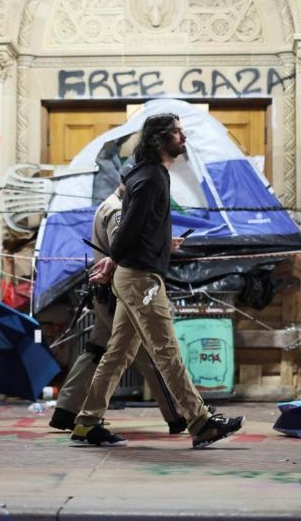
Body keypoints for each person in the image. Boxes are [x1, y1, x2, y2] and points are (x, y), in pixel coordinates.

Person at [70, 113, 244, 449]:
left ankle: (86, 423)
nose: (184, 138)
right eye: (177, 133)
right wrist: (113, 260)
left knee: (118, 354)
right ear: (159, 139)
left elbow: (143, 226)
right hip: (140, 280)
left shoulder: (145, 175)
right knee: (167, 351)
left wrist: (166, 241)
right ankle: (201, 422)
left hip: (134, 275)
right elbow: (128, 227)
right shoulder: (152, 177)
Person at [48, 182, 185, 434]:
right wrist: (161, 247)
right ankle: (179, 415)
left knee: (97, 349)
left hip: (106, 295)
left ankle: (65, 410)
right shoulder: (117, 211)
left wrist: (165, 244)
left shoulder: (109, 206)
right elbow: (125, 253)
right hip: (118, 294)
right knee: (150, 353)